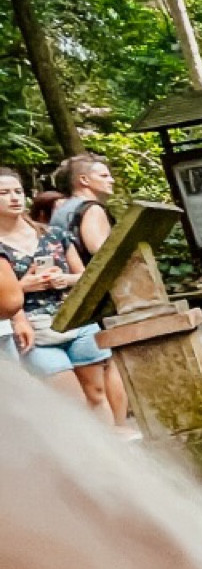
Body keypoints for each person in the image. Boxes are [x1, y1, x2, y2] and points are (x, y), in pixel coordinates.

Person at [0, 167, 115, 419]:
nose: (14, 198)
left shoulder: (52, 234)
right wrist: (23, 286)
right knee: (70, 401)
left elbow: (85, 276)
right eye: (4, 193)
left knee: (97, 393)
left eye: (18, 191)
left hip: (75, 318)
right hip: (33, 329)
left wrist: (64, 279)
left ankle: (112, 449)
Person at [49, 153, 131, 428]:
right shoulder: (91, 208)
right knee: (110, 362)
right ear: (84, 180)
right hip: (94, 294)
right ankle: (119, 427)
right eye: (104, 175)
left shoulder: (62, 210)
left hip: (68, 295)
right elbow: (100, 250)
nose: (111, 180)